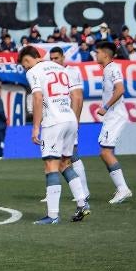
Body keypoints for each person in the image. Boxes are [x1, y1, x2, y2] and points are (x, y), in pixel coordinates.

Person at [19, 46, 89, 224]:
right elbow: (75, 95)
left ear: (31, 58)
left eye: (25, 63)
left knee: (50, 165)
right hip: (70, 118)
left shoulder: (34, 71)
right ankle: (82, 203)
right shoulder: (60, 68)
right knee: (65, 164)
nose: (25, 67)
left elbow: (36, 98)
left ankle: (52, 215)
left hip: (53, 122)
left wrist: (35, 127)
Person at [47, 47, 90, 204]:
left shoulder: (71, 72)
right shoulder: (51, 74)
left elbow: (77, 98)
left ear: (63, 57)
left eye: (56, 58)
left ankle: (84, 192)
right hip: (57, 120)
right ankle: (54, 189)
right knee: (59, 155)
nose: (54, 61)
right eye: (51, 58)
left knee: (71, 155)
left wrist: (75, 120)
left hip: (68, 120)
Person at [94, 41, 132, 203]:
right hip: (112, 116)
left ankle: (123, 189)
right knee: (104, 152)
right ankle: (121, 188)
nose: (96, 55)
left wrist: (106, 106)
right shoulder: (107, 69)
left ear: (105, 54)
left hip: (115, 115)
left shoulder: (113, 68)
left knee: (105, 152)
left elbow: (120, 89)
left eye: (98, 52)